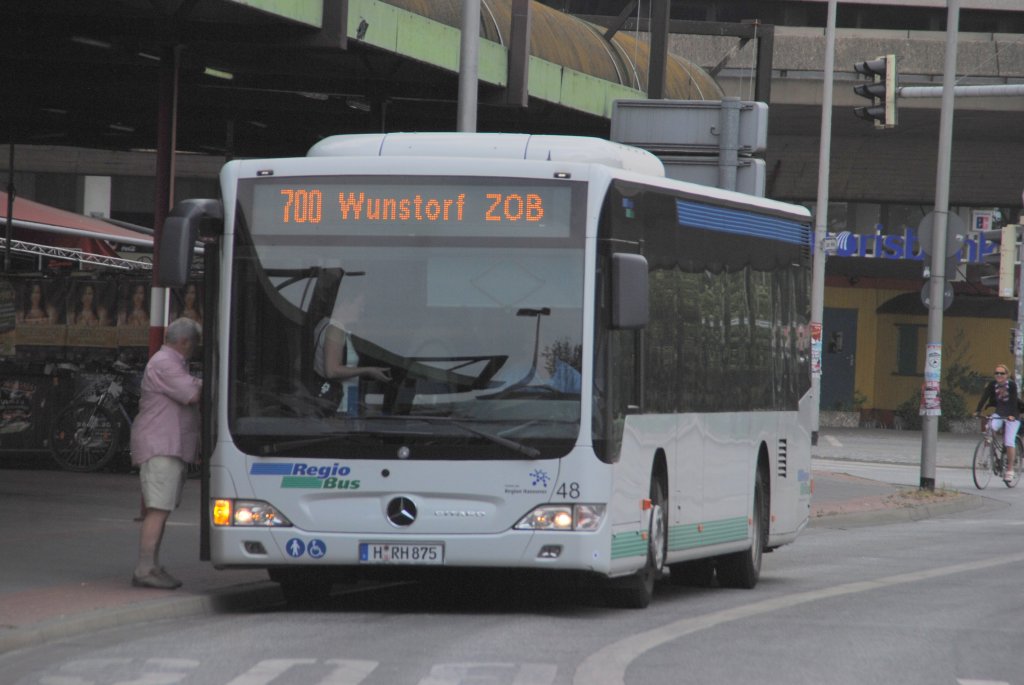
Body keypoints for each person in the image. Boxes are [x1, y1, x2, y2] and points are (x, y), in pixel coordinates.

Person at [129, 317, 202, 589]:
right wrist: (204, 383)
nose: (195, 349)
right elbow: (190, 393)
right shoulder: (164, 363)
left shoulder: (173, 363)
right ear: (184, 342)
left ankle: (152, 565)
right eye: (194, 344)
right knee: (158, 509)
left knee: (161, 508)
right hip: (161, 446)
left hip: (169, 445)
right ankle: (145, 568)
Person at [313, 288, 391, 412]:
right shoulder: (336, 330)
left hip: (339, 398)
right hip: (338, 403)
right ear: (345, 303)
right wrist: (368, 370)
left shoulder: (325, 323)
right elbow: (332, 371)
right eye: (359, 305)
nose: (361, 310)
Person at [974, 363, 1020, 482]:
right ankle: (988, 453)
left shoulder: (1012, 385)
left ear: (1007, 375)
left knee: (1009, 441)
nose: (999, 375)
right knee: (989, 427)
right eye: (997, 373)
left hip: (1012, 415)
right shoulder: (992, 385)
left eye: (1002, 373)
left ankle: (1010, 469)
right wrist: (978, 410)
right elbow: (984, 397)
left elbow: (1014, 401)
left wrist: (1011, 416)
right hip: (999, 413)